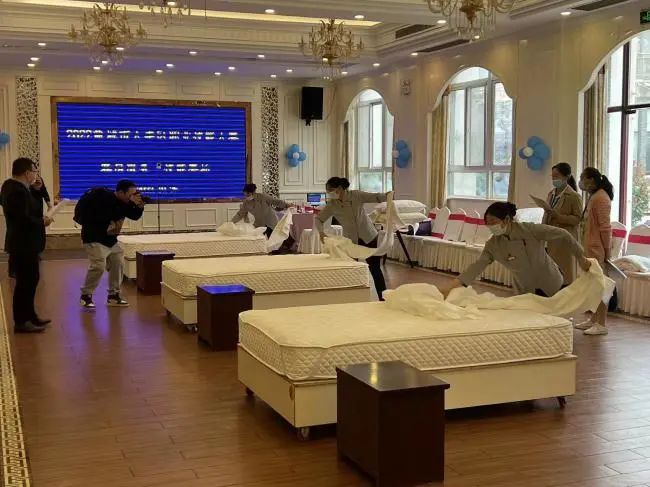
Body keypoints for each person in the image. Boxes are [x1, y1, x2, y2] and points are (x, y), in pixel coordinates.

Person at [442, 202, 591, 298]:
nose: (491, 226)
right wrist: (452, 286)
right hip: (525, 290)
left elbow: (564, 234)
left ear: (507, 220)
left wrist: (581, 257)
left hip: (551, 283)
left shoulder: (530, 230)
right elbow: (476, 267)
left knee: (554, 323)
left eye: (493, 222)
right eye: (488, 223)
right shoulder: (493, 245)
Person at [316, 177, 391, 301]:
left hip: (369, 236)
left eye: (331, 190)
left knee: (374, 268)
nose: (329, 193)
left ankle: (383, 298)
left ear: (340, 188)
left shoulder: (356, 195)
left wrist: (388, 195)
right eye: (328, 191)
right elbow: (318, 219)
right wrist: (321, 232)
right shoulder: (332, 205)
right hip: (350, 240)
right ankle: (353, 298)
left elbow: (375, 197)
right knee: (351, 269)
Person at [74, 180, 145, 309]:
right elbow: (110, 214)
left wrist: (140, 206)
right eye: (131, 194)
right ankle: (86, 295)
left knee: (118, 263)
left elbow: (133, 216)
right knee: (99, 266)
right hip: (94, 238)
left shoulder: (124, 202)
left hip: (110, 239)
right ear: (121, 192)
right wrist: (130, 204)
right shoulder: (104, 198)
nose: (133, 196)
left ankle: (113, 295)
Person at [1, 158, 52, 333]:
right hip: (22, 244)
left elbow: (31, 209)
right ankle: (21, 321)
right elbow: (22, 219)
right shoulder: (14, 190)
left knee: (31, 280)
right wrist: (42, 221)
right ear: (27, 172)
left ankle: (30, 316)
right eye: (34, 171)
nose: (35, 175)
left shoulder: (21, 189)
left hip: (27, 244)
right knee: (24, 283)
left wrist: (37, 191)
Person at [573, 167, 613, 336]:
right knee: (592, 285)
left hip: (597, 249)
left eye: (583, 178)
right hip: (589, 247)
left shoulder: (601, 198)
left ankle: (601, 323)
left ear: (591, 180)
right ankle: (594, 319)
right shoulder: (594, 197)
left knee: (600, 285)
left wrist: (607, 251)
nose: (581, 182)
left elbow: (605, 227)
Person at [543, 162, 583, 285]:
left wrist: (558, 217)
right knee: (552, 273)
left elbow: (577, 219)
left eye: (557, 176)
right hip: (550, 237)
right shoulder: (551, 194)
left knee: (565, 273)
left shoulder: (574, 196)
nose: (554, 179)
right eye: (552, 176)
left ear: (566, 177)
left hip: (565, 240)